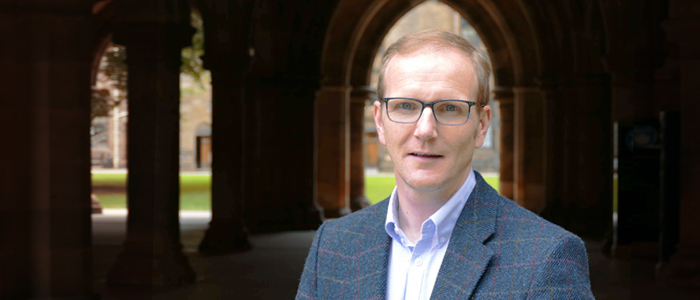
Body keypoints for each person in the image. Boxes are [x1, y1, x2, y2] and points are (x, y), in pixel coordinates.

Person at [297, 29, 594, 300]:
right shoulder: (332, 245)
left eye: (449, 108)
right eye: (405, 106)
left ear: (481, 124)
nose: (425, 130)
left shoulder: (548, 256)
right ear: (380, 121)